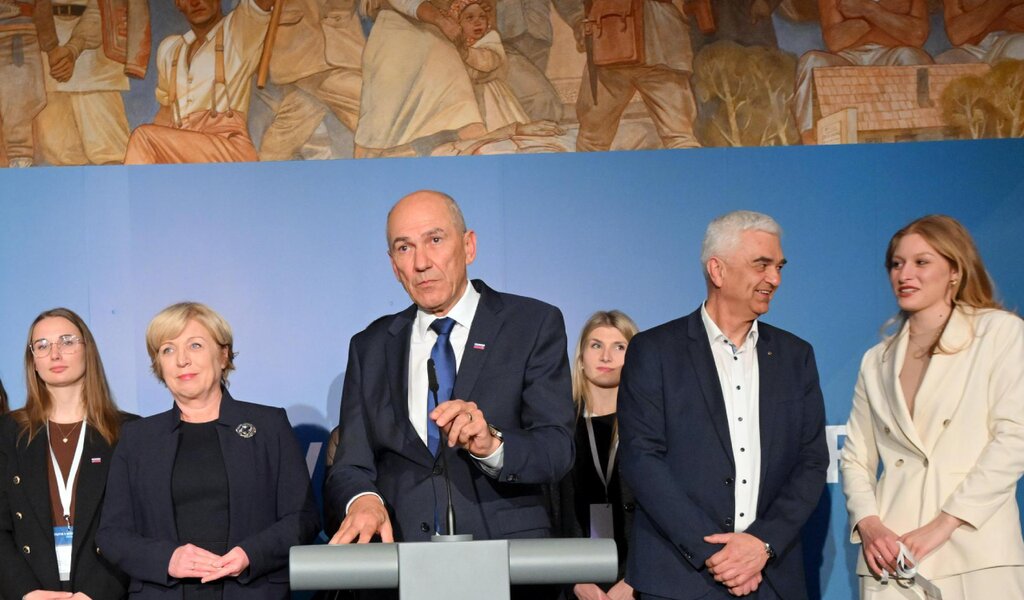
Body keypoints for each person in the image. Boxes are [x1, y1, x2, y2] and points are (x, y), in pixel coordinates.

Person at [324, 190, 575, 597]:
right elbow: (351, 462)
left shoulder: (531, 324)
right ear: (393, 265)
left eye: (435, 239)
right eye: (404, 247)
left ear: (469, 246)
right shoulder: (370, 346)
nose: (421, 262)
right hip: (400, 570)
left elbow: (557, 448)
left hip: (508, 568)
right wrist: (364, 500)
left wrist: (492, 444)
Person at [617, 210, 829, 599]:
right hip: (681, 579)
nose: (775, 279)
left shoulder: (795, 356)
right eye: (761, 265)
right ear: (718, 270)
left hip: (772, 578)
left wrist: (761, 543)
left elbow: (812, 461)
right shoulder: (654, 351)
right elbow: (641, 459)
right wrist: (718, 555)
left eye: (779, 266)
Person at [840, 215, 1024, 599]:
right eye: (897, 264)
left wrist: (945, 523)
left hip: (975, 548)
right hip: (891, 556)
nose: (905, 274)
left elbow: (1014, 438)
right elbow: (855, 458)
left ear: (955, 270)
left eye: (921, 262)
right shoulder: (876, 360)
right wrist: (870, 526)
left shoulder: (999, 332)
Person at [97, 302, 319, 599]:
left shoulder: (269, 426)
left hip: (251, 590)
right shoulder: (137, 437)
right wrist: (167, 559)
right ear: (159, 365)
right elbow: (112, 534)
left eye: (195, 345)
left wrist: (251, 554)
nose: (182, 360)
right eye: (168, 350)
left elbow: (302, 517)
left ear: (223, 355)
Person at [0, 307, 135, 599]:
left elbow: (139, 526)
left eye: (67, 341)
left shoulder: (130, 432)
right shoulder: (7, 432)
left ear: (88, 350)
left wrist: (97, 593)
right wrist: (25, 592)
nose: (55, 354)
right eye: (42, 345)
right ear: (33, 361)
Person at [122, 0, 274, 163]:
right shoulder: (170, 50)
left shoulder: (239, 31)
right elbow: (165, 114)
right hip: (183, 152)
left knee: (143, 138)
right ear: (178, 4)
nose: (194, 2)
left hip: (228, 151)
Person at [554, 310, 638, 600]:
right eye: (596, 345)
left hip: (640, 579)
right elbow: (548, 512)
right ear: (581, 357)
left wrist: (636, 580)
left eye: (619, 347)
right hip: (573, 579)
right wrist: (573, 579)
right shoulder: (556, 429)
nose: (606, 357)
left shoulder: (651, 427)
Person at [793, 0, 932, 144]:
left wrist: (867, 9)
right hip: (848, 58)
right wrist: (889, 19)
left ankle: (913, 143)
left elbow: (917, 35)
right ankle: (811, 143)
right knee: (812, 61)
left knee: (911, 57)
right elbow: (835, 41)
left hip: (893, 54)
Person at [575, 0, 701, 152]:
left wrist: (579, 20)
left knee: (591, 141)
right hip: (642, 42)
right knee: (680, 136)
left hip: (616, 39)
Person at [451, 0, 530, 130]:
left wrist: (465, 53)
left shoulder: (490, 39)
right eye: (470, 18)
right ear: (457, 23)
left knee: (497, 125)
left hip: (490, 94)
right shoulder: (452, 45)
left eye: (482, 17)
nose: (478, 22)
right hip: (465, 96)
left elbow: (488, 62)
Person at [936, 0, 1024, 64]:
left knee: (1017, 47)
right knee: (943, 64)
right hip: (973, 50)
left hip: (1011, 41)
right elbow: (957, 35)